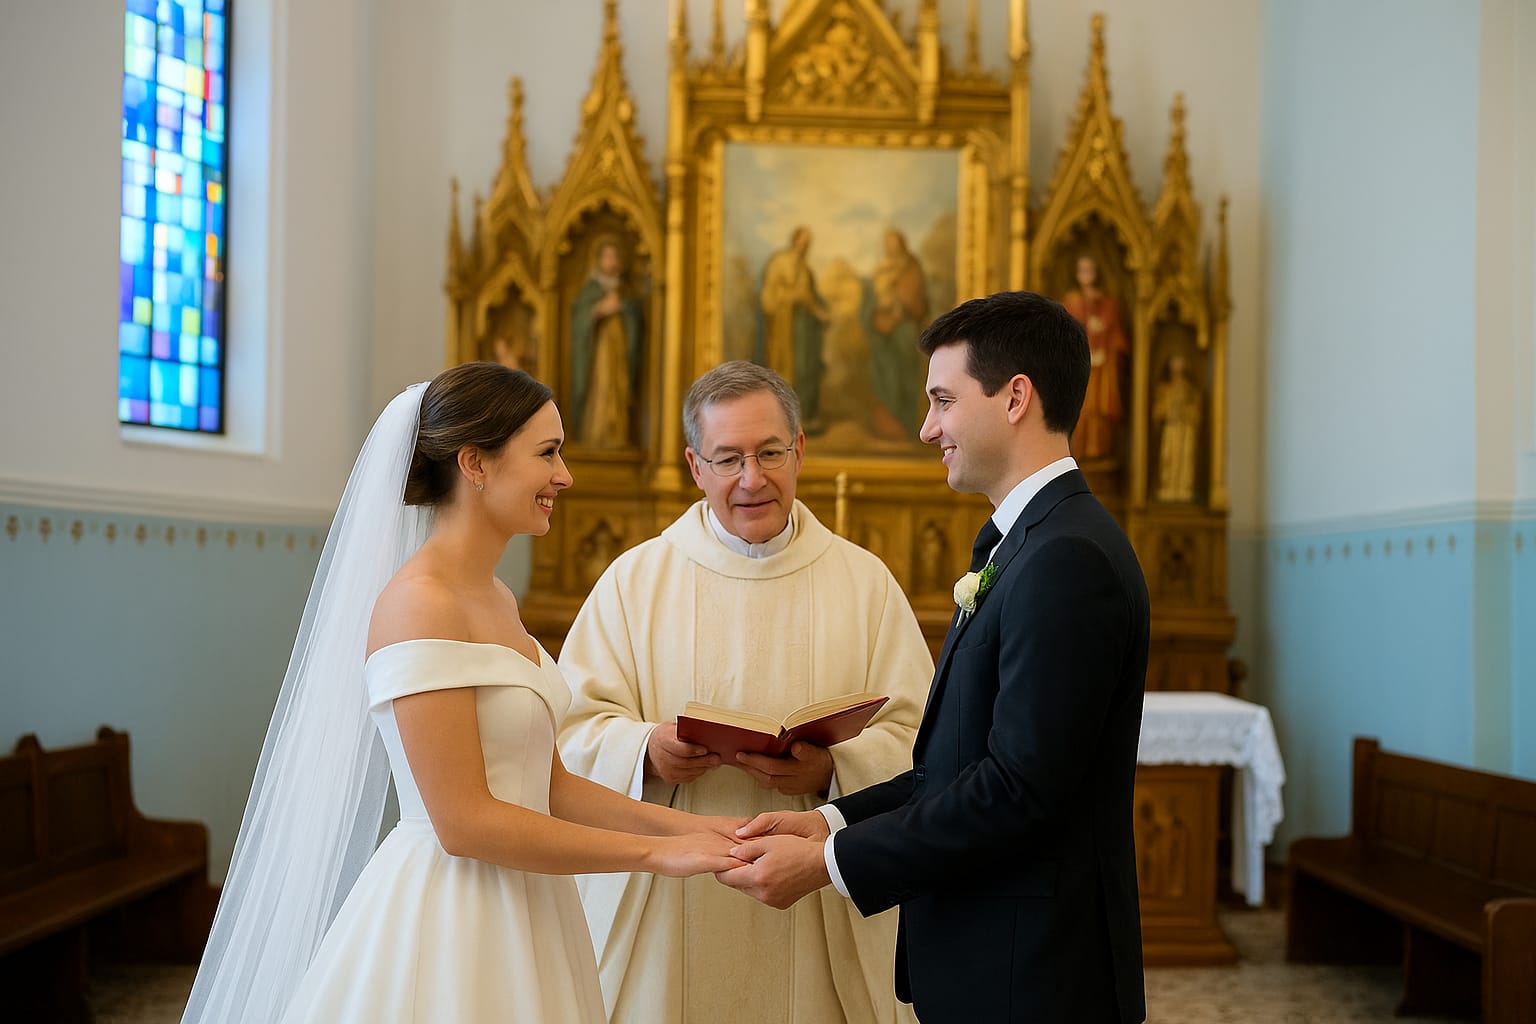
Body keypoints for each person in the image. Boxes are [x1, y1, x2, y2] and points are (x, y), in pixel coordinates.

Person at [181, 362, 743, 1024]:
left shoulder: (497, 596)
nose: (564, 476)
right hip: (454, 912)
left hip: (532, 905)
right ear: (475, 463)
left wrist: (703, 830)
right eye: (547, 453)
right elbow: (464, 822)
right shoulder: (419, 603)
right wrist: (659, 855)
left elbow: (550, 785)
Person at [720, 292, 1151, 1024]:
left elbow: (1018, 791)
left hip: (1033, 975)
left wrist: (828, 865)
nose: (927, 428)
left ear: (1016, 398)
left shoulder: (1066, 557)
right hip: (997, 961)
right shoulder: (1029, 542)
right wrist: (830, 824)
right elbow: (957, 768)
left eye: (943, 400)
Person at [558, 360, 932, 1023]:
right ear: (695, 466)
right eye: (728, 459)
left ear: (800, 451)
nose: (752, 479)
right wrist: (646, 751)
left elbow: (922, 740)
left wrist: (834, 767)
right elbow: (569, 732)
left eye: (769, 453)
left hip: (815, 892)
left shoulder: (865, 584)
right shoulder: (634, 582)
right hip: (669, 903)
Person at [570, 236, 645, 447]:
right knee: (600, 389)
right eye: (607, 256)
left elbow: (636, 322)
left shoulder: (626, 291)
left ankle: (617, 436)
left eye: (614, 256)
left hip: (619, 354)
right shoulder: (590, 291)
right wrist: (598, 310)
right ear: (598, 260)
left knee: (617, 390)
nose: (611, 261)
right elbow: (579, 321)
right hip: (596, 356)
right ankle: (594, 435)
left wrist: (622, 308)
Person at [758, 226, 830, 432]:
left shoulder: (806, 270)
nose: (804, 246)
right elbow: (769, 297)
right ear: (794, 240)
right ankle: (782, 418)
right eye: (802, 241)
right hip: (784, 326)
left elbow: (809, 298)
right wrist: (789, 298)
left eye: (808, 243)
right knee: (786, 367)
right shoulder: (779, 262)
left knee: (805, 367)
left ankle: (803, 416)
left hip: (802, 328)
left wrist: (821, 314)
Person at [1060, 254, 1129, 460]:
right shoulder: (1070, 302)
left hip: (1102, 368)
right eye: (1083, 270)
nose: (1086, 274)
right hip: (1078, 367)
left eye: (1089, 269)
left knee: (1099, 411)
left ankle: (1099, 454)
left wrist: (1105, 341)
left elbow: (1117, 338)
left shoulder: (1107, 302)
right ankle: (1078, 453)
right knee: (1080, 409)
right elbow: (1063, 333)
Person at [863, 228, 929, 440]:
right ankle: (887, 425)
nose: (890, 249)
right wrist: (878, 316)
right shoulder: (881, 269)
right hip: (883, 334)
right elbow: (870, 303)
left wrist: (899, 303)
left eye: (894, 244)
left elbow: (916, 301)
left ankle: (906, 424)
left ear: (901, 245)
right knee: (884, 374)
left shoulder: (911, 267)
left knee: (904, 376)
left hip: (904, 330)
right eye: (888, 245)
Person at [1152, 353, 1202, 502]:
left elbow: (1196, 412)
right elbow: (1158, 412)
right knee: (1168, 457)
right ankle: (1168, 485)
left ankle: (1183, 488)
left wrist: (1185, 411)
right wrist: (1168, 409)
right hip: (1171, 428)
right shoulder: (1164, 389)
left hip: (1185, 430)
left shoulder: (1190, 390)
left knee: (1185, 458)